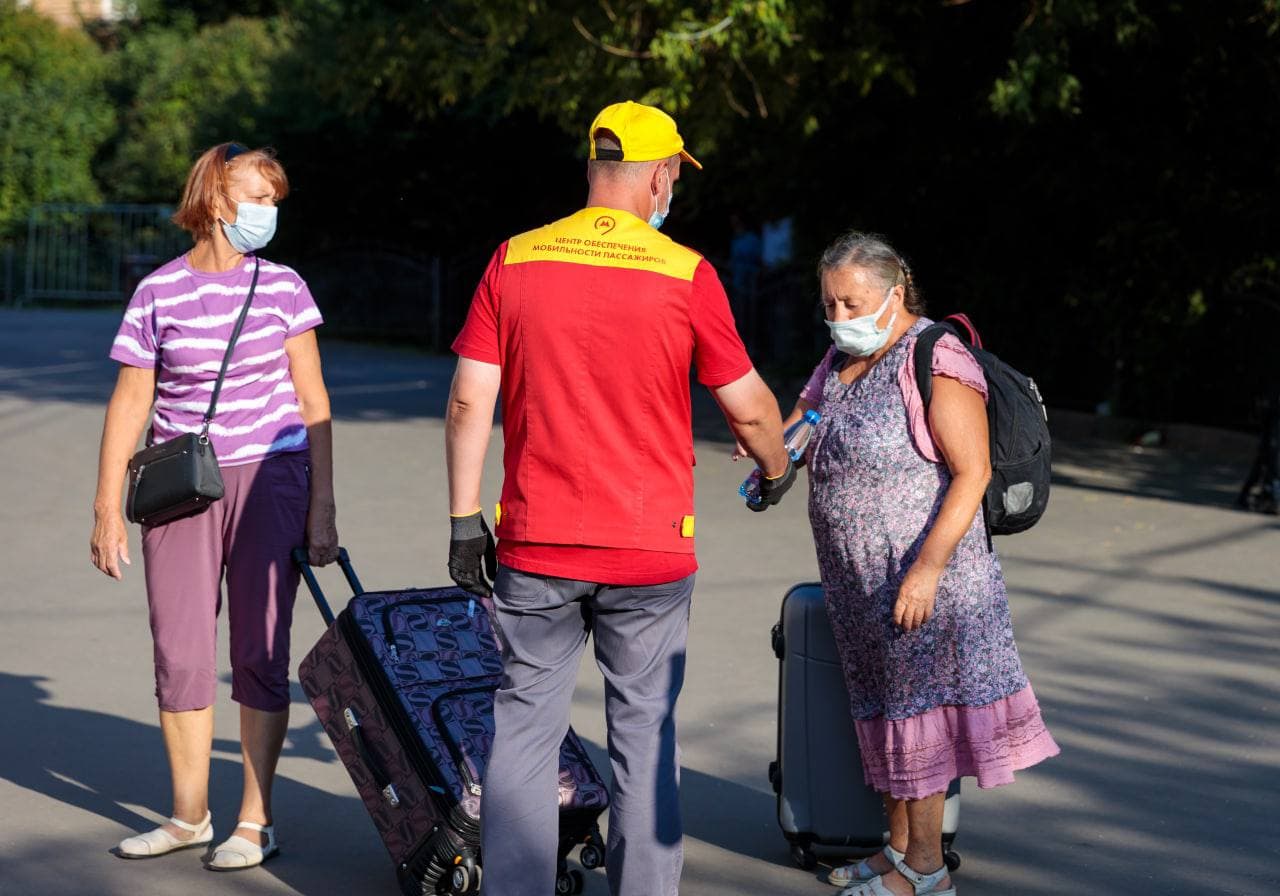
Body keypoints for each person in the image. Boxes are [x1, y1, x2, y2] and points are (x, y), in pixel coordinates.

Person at [445, 100, 794, 896]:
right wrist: (775, 468)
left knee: (525, 733)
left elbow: (471, 399)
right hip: (648, 549)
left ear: (594, 168)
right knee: (645, 736)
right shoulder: (685, 273)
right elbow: (747, 405)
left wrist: (466, 519)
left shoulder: (516, 258)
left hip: (535, 542)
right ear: (662, 174)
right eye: (676, 174)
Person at [89, 142, 339, 870]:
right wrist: (107, 509)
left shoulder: (286, 288)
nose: (269, 212)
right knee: (181, 653)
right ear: (217, 202)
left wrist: (322, 508)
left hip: (272, 479)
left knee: (259, 653)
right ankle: (189, 816)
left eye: (275, 200)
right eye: (259, 198)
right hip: (181, 486)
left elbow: (315, 401)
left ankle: (254, 822)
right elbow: (130, 403)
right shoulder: (158, 292)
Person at [790, 232, 1059, 896]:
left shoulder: (937, 356)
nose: (839, 316)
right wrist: (777, 454)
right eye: (830, 303)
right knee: (883, 715)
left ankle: (929, 870)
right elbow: (805, 417)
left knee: (921, 723)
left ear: (895, 293)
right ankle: (898, 851)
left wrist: (928, 569)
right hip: (860, 584)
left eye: (852, 301)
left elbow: (973, 474)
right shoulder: (840, 360)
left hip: (924, 579)